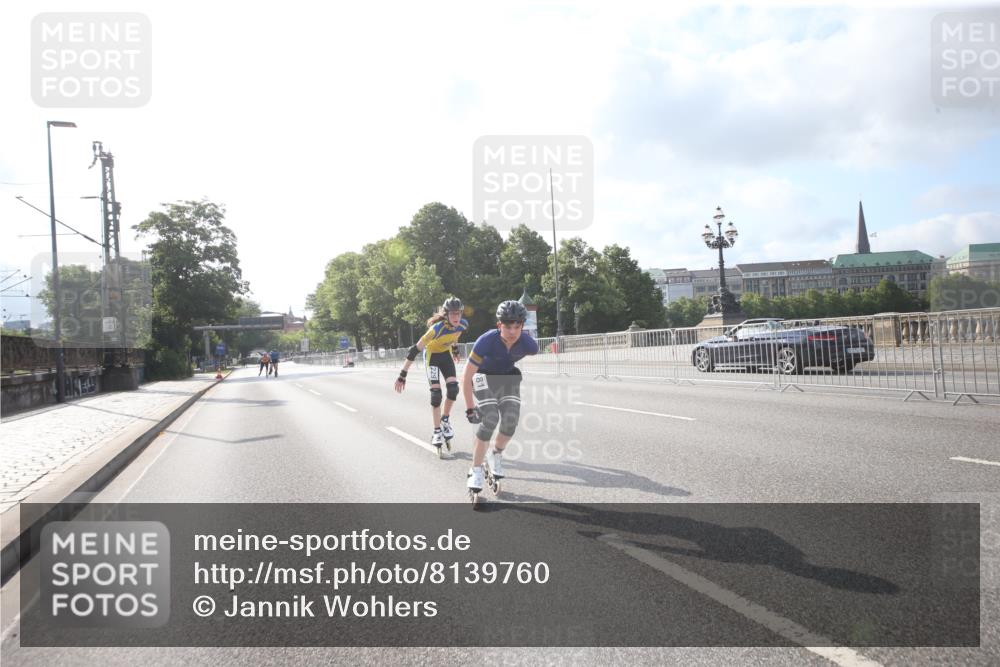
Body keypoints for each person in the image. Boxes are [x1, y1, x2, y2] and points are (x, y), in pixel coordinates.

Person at [462, 300, 538, 493]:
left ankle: (495, 454)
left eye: (517, 326)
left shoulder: (529, 345)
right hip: (483, 377)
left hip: (507, 378)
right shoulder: (486, 340)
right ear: (499, 325)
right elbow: (467, 375)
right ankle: (476, 470)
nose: (512, 331)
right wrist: (470, 407)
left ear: (522, 326)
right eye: (507, 326)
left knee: (511, 420)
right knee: (491, 418)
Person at [394, 297, 469, 453]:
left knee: (453, 389)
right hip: (432, 358)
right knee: (436, 395)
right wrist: (402, 374)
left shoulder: (462, 325)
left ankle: (445, 420)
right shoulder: (436, 329)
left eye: (459, 313)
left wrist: (454, 350)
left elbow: (454, 337)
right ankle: (436, 431)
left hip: (446, 357)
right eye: (453, 314)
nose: (456, 317)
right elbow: (414, 350)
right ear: (447, 315)